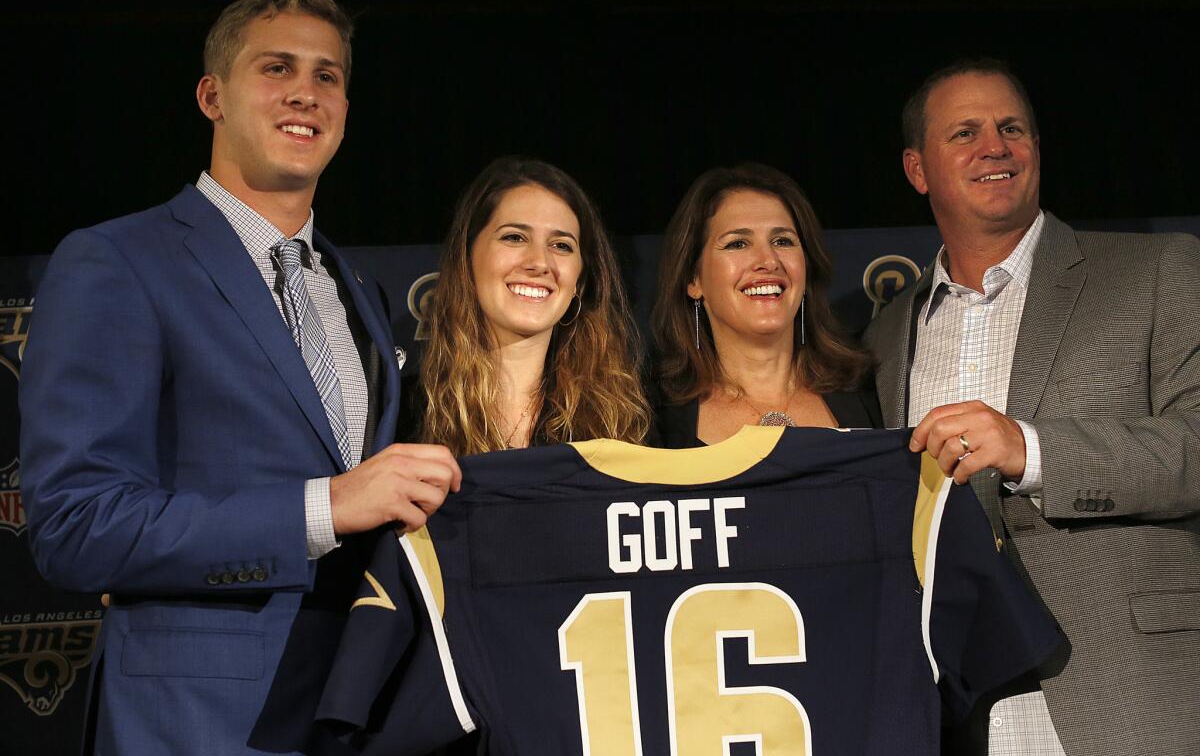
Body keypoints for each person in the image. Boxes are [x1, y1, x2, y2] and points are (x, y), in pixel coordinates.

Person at [18, 0, 460, 756]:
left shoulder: (356, 288)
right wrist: (322, 508)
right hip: (199, 722)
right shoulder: (119, 262)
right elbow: (75, 527)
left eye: (327, 76)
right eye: (277, 67)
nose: (305, 92)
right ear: (211, 95)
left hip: (357, 709)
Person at [865, 58, 1200, 755]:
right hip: (957, 712)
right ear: (917, 169)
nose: (996, 145)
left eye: (1012, 127)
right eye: (965, 132)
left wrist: (1031, 449)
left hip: (1126, 694)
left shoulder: (1158, 271)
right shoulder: (884, 335)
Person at [409, 155, 651, 452]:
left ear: (579, 280)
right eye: (514, 237)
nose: (539, 263)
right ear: (467, 259)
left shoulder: (623, 420)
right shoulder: (405, 415)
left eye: (561, 245)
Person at [651, 162, 880, 447]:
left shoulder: (876, 395)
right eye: (738, 244)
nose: (769, 261)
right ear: (693, 279)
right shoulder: (650, 419)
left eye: (783, 241)